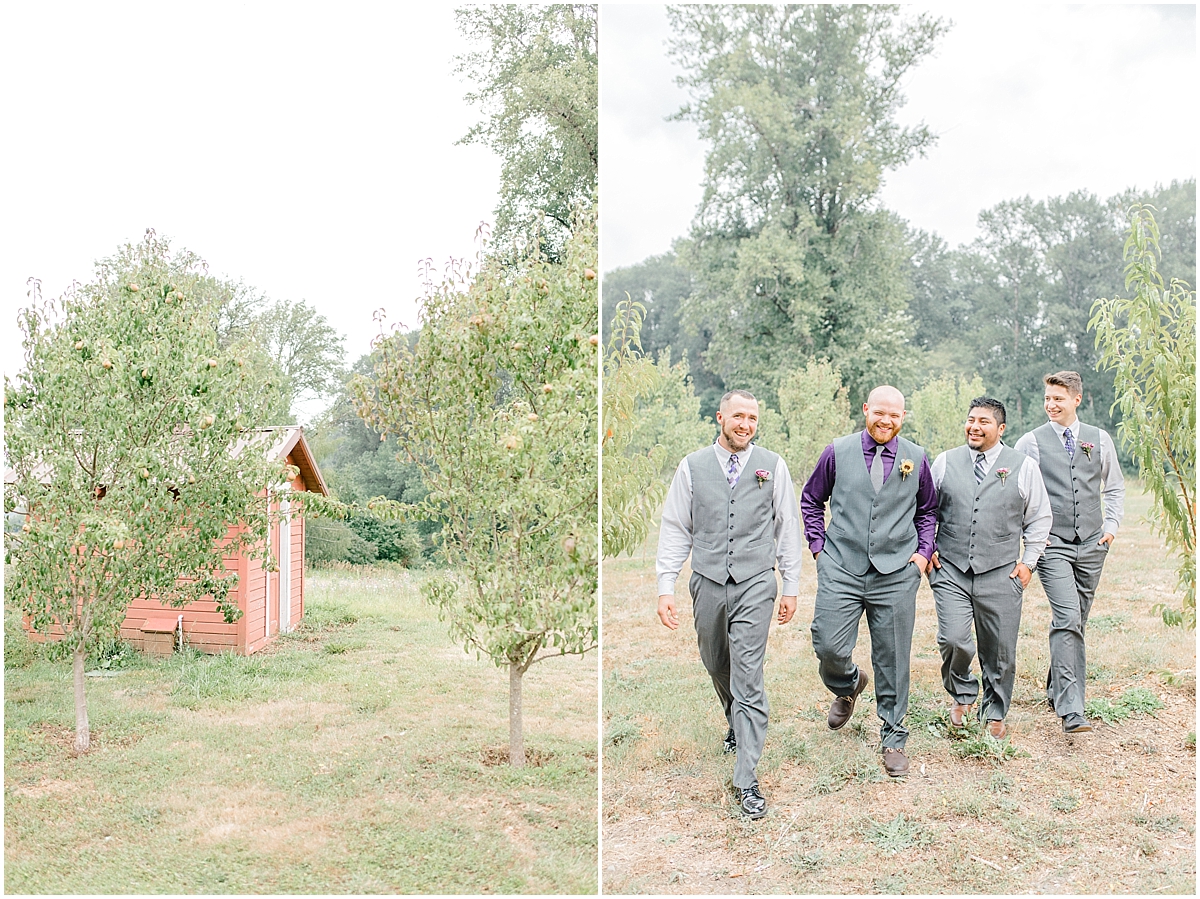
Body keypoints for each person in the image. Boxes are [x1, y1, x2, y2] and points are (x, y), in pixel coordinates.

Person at [656, 389, 802, 819]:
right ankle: (735, 722)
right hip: (707, 581)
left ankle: (746, 779)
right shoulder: (692, 466)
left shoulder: (773, 466)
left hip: (756, 582)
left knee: (749, 674)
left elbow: (786, 526)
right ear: (720, 417)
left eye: (753, 418)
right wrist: (666, 586)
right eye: (738, 416)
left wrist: (790, 585)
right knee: (716, 661)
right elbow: (675, 527)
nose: (745, 424)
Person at [801, 385, 936, 777]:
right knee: (827, 643)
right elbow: (811, 500)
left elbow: (928, 510)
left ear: (903, 417)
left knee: (893, 656)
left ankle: (893, 735)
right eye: (879, 412)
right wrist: (818, 549)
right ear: (865, 410)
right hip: (841, 565)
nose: (886, 421)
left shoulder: (917, 459)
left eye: (894, 415)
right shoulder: (837, 452)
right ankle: (847, 683)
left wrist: (921, 556)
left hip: (896, 572)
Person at [928, 397, 1052, 738]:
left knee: (1000, 648)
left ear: (1000, 428)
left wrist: (1028, 563)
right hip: (950, 567)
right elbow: (925, 511)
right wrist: (928, 548)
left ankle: (995, 711)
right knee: (954, 638)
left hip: (1001, 570)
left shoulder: (1023, 466)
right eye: (970, 420)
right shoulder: (944, 462)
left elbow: (1040, 517)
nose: (974, 427)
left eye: (983, 421)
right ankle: (962, 693)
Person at [1015, 371, 1124, 734]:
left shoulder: (1099, 439)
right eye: (1047, 398)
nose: (1050, 405)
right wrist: (1033, 539)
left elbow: (1115, 488)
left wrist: (1110, 529)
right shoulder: (1030, 442)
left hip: (1093, 544)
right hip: (1053, 545)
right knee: (1067, 617)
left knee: (1077, 620)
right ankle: (1071, 710)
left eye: (1058, 398)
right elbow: (1018, 493)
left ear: (1076, 399)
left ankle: (1056, 686)